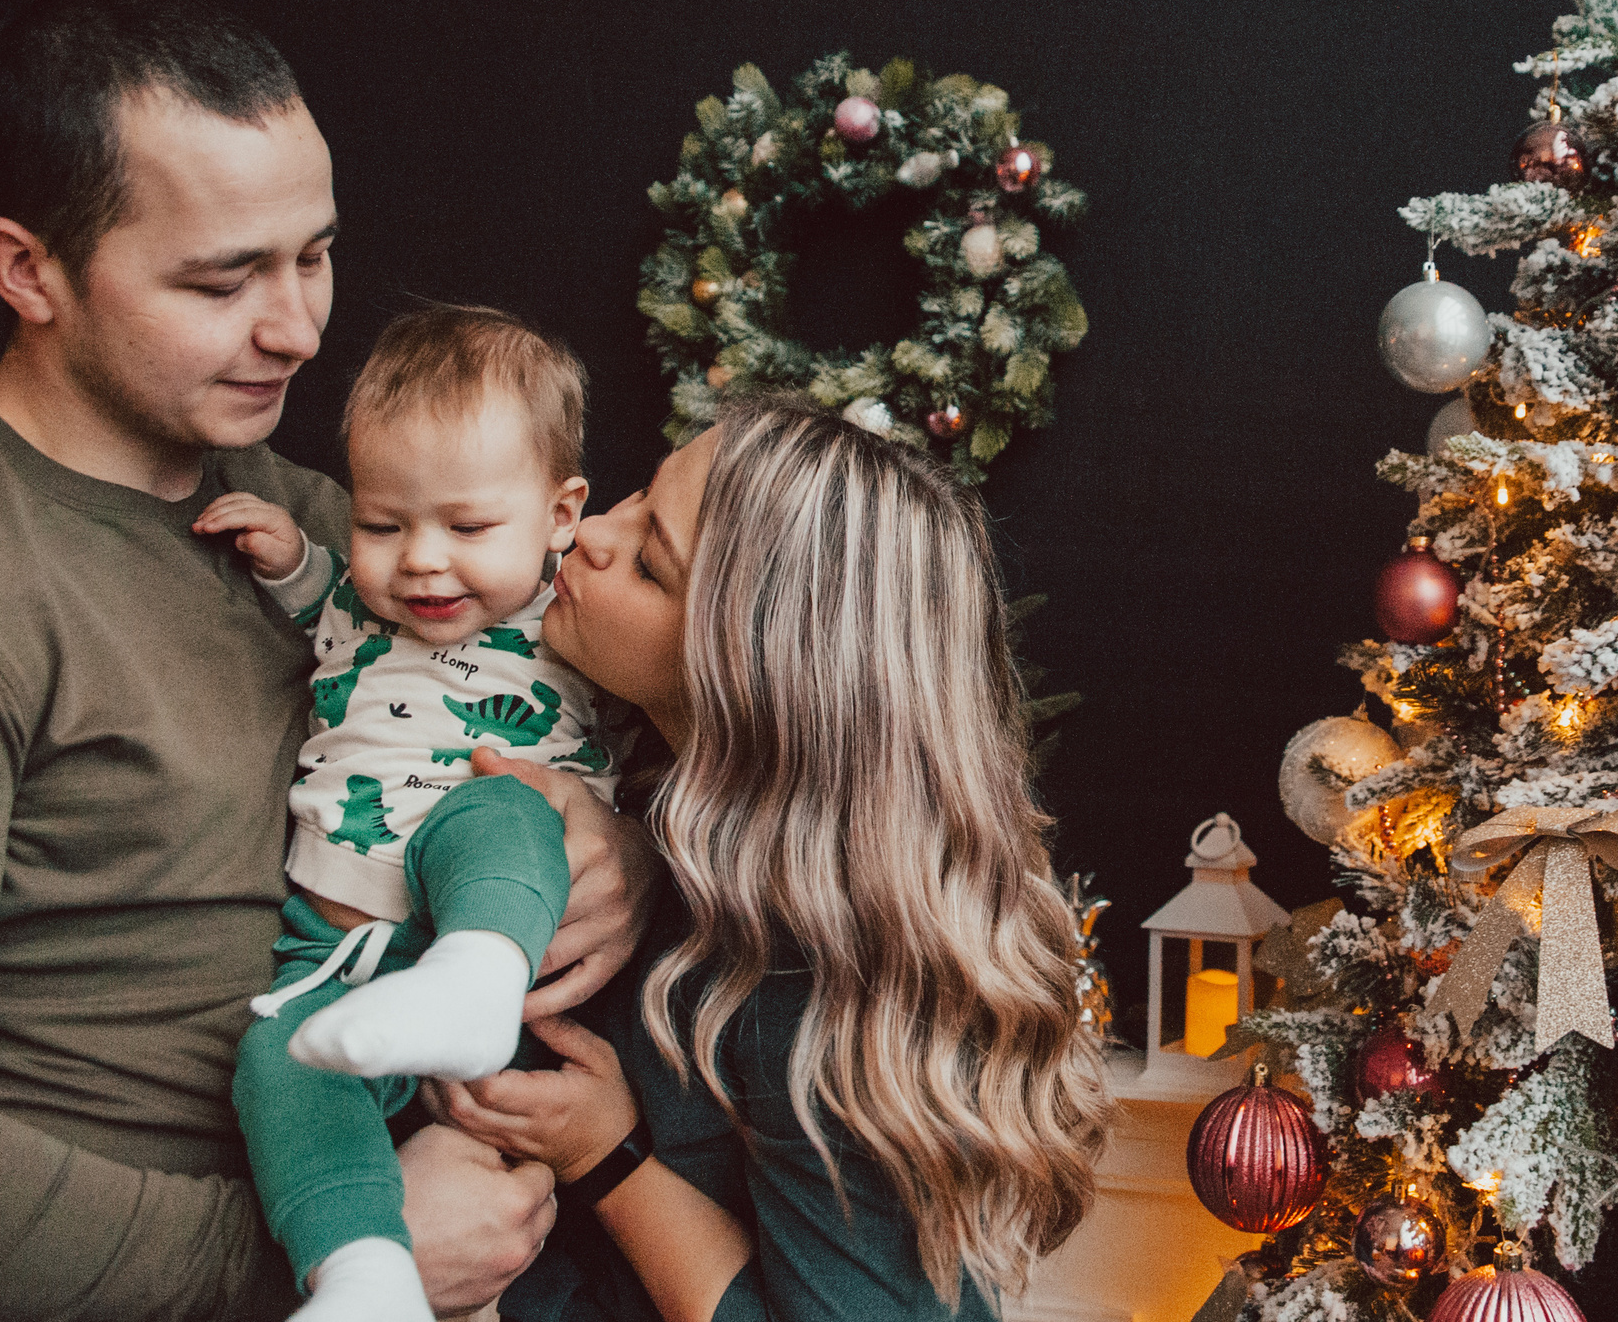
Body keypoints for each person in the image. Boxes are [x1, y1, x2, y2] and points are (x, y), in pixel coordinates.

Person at [0, 0, 651, 1321]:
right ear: (27, 269)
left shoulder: (339, 527)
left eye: (314, 255)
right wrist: (331, 1258)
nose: (298, 327)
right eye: (223, 280)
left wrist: (612, 855)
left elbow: (557, 716)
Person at [431, 394, 1116, 1322]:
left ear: (750, 676)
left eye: (650, 564)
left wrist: (606, 1154)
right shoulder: (653, 803)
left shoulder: (833, 974)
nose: (589, 531)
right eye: (638, 495)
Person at [200, 304, 639, 1322]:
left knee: (499, 801)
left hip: (492, 926)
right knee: (279, 1060)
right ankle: (365, 1275)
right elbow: (324, 608)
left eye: (468, 527)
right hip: (334, 949)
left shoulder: (570, 619)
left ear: (561, 513)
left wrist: (632, 836)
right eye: (383, 525)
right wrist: (291, 560)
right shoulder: (367, 602)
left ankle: (471, 975)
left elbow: (671, 731)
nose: (422, 561)